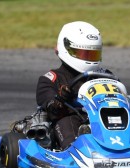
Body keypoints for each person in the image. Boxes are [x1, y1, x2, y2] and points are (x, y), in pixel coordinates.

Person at [36, 21, 112, 149]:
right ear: (68, 49)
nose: (89, 58)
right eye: (84, 54)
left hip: (104, 120)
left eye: (93, 54)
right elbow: (51, 108)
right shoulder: (50, 79)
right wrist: (60, 99)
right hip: (71, 122)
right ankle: (75, 149)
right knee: (66, 120)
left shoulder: (106, 75)